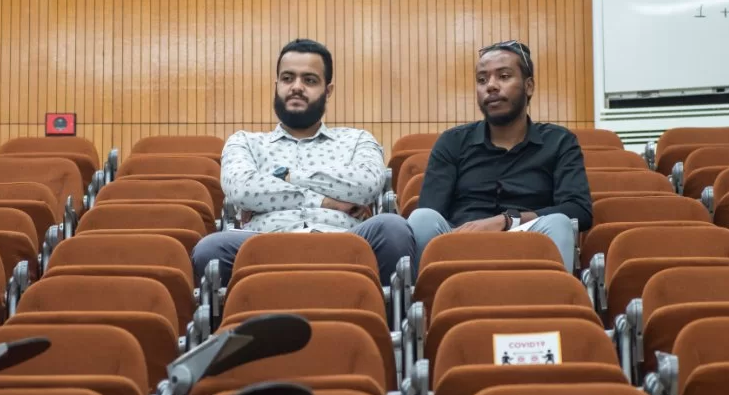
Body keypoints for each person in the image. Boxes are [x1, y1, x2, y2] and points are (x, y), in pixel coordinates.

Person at [194, 39, 417, 287]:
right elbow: (242, 190)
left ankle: (379, 308)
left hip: (344, 238)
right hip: (264, 240)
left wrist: (288, 177)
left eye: (309, 80)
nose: (297, 87)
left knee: (393, 228)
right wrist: (325, 201)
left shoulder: (357, 140)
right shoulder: (245, 142)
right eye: (287, 78)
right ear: (277, 85)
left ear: (328, 90)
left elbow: (366, 186)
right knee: (210, 249)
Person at [407, 40, 592, 271]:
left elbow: (579, 210)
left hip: (527, 238)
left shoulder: (559, 141)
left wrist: (506, 220)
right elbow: (432, 210)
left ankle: (551, 291)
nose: (491, 86)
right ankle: (432, 292)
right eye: (482, 80)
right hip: (462, 238)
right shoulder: (453, 141)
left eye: (503, 76)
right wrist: (465, 232)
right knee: (422, 217)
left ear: (529, 86)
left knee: (559, 223)